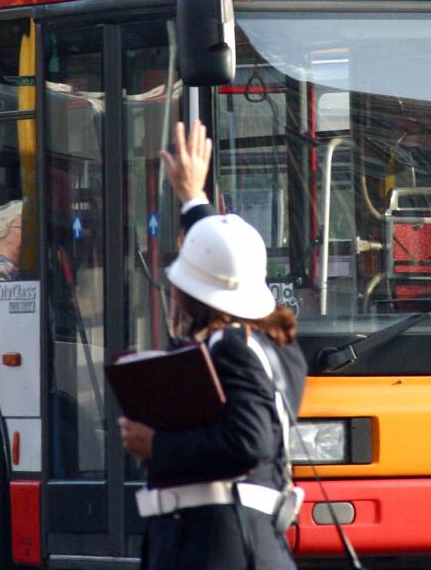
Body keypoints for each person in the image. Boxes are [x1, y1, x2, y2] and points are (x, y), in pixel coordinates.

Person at [119, 120, 307, 570]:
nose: (176, 291)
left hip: (217, 550)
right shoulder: (276, 345)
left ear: (197, 295)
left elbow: (249, 441)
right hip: (245, 544)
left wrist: (156, 446)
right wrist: (192, 199)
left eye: (183, 281)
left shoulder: (233, 349)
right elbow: (225, 260)